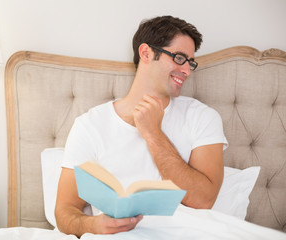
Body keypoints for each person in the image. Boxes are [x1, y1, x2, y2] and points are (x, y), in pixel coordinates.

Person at [55, 15, 228, 237]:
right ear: (146, 53)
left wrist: (153, 133)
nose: (187, 71)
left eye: (191, 62)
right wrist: (92, 226)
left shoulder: (202, 118)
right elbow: (64, 210)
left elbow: (204, 199)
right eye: (179, 58)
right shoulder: (90, 125)